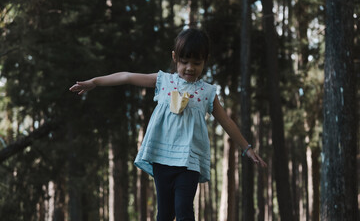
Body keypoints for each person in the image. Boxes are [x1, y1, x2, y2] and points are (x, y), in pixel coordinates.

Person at [69, 28, 267, 221]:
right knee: (164, 214)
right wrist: (95, 81)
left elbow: (226, 121)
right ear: (175, 57)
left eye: (196, 63)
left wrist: (246, 147)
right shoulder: (163, 81)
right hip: (162, 159)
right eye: (184, 61)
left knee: (184, 211)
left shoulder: (207, 92)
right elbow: (127, 77)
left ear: (205, 61)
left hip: (189, 161)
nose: (190, 67)